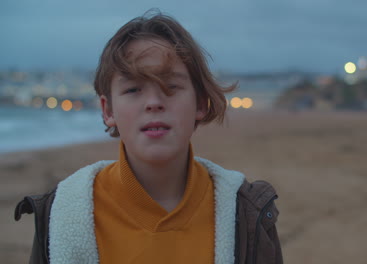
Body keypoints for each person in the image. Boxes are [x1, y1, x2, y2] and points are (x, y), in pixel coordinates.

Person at [14, 11, 283, 264]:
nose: (153, 103)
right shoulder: (61, 212)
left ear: (200, 104)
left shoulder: (246, 212)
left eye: (170, 87)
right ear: (108, 110)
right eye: (133, 89)